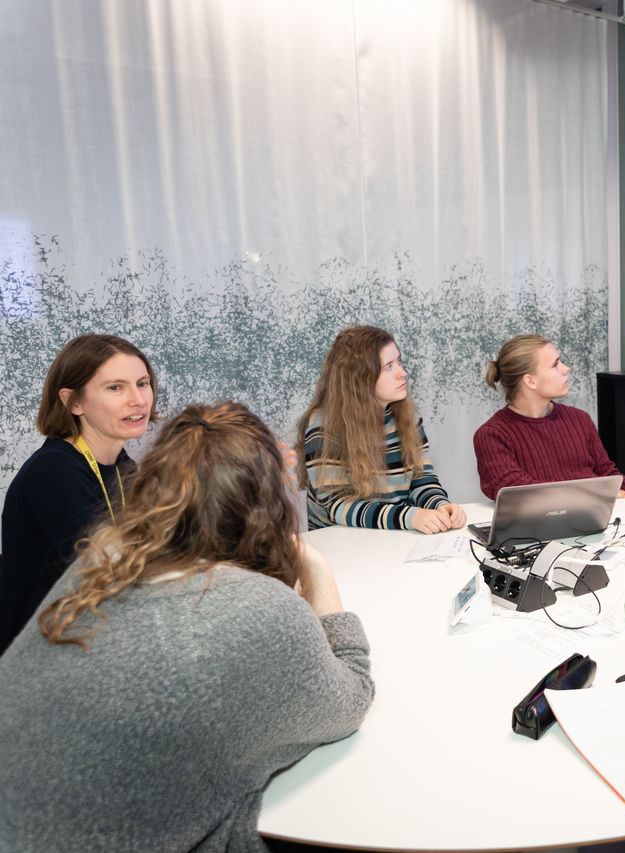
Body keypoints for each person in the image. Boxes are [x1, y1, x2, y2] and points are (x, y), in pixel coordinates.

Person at [0, 402, 375, 850]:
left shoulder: (101, 560)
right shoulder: (262, 611)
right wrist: (314, 567)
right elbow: (350, 698)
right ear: (266, 504)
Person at [0, 333, 159, 656]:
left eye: (142, 384)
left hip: (88, 640)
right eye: (116, 387)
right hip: (39, 659)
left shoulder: (123, 467)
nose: (139, 400)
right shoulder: (54, 471)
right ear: (73, 402)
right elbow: (117, 570)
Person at [297, 325, 466, 533]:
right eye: (388, 367)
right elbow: (337, 506)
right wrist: (409, 517)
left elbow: (422, 481)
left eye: (399, 361)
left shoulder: (408, 419)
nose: (402, 373)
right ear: (359, 379)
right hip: (340, 545)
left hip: (390, 538)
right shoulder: (323, 425)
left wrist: (440, 505)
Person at [473, 334, 625, 500]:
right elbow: (516, 492)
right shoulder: (491, 435)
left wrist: (621, 491)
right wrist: (596, 496)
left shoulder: (579, 419)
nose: (565, 368)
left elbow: (611, 477)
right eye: (555, 364)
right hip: (538, 524)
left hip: (594, 519)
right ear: (530, 381)